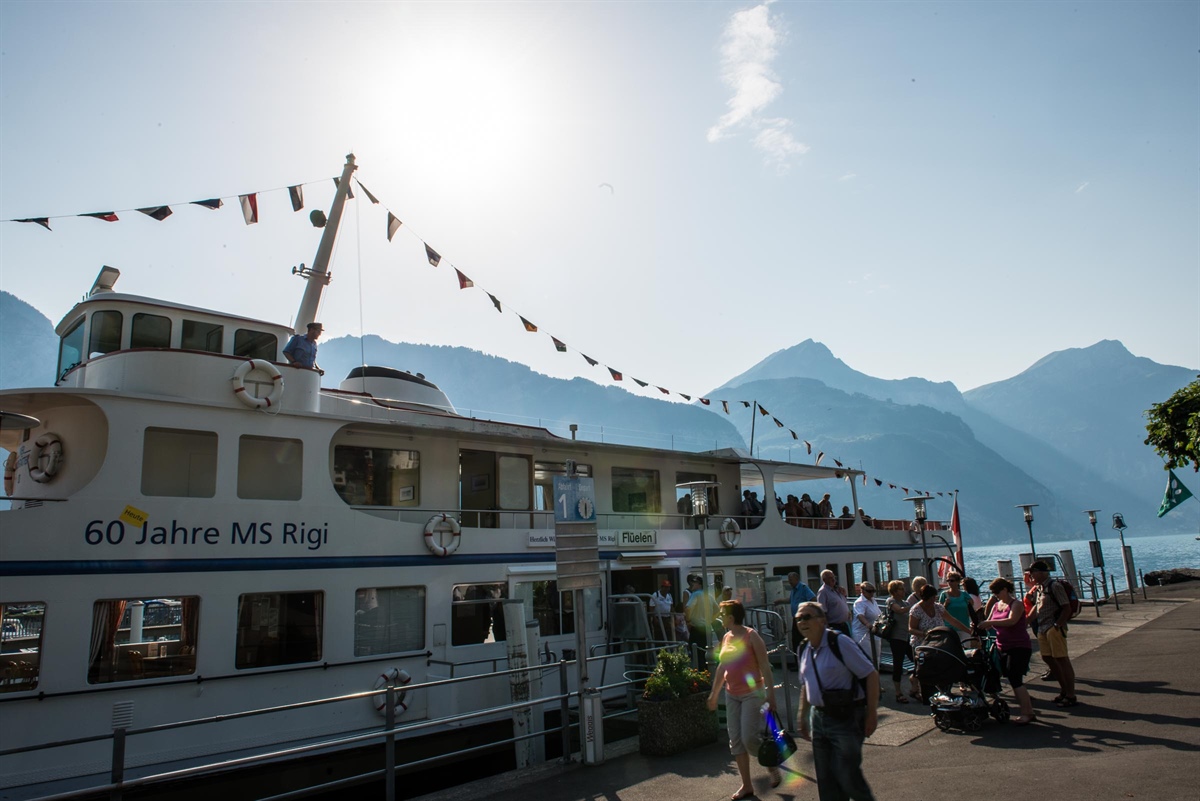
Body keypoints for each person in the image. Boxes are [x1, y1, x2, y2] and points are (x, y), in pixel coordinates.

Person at [795, 601, 878, 801]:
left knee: (848, 776)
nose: (802, 622)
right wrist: (802, 715)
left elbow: (871, 674)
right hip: (819, 718)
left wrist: (872, 713)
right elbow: (806, 684)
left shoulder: (839, 642)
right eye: (798, 618)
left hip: (846, 717)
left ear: (822, 620)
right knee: (826, 780)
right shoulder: (803, 648)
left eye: (807, 617)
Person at [707, 600, 780, 799]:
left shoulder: (751, 636)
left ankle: (771, 763)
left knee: (749, 738)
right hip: (732, 694)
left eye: (722, 614)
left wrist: (770, 695)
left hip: (751, 694)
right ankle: (746, 785)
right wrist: (714, 694)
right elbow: (722, 668)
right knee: (736, 741)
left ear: (731, 617)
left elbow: (765, 667)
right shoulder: (726, 637)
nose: (720, 617)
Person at [976, 577, 1036, 724]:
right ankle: (1027, 711)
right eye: (993, 592)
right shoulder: (997, 605)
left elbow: (1011, 621)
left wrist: (989, 622)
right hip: (1002, 646)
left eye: (997, 591)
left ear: (1005, 589)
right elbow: (989, 623)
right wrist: (979, 624)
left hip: (1019, 646)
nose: (995, 594)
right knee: (1008, 677)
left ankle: (1027, 712)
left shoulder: (1016, 604)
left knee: (1015, 679)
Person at [908, 584, 973, 701]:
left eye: (935, 597)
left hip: (938, 643)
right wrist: (925, 633)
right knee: (923, 669)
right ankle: (919, 687)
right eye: (932, 598)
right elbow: (911, 629)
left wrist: (968, 631)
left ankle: (942, 690)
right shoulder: (916, 610)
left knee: (939, 667)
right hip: (921, 643)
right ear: (926, 598)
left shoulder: (938, 607)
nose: (934, 600)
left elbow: (952, 620)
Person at [1030, 560, 1077, 707]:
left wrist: (1057, 625)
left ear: (1042, 572)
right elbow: (1036, 609)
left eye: (1033, 572)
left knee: (1062, 659)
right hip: (1042, 627)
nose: (1031, 575)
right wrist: (1024, 621)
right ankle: (1063, 690)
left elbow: (1066, 607)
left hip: (1053, 627)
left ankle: (1070, 694)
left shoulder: (1054, 586)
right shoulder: (1038, 588)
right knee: (1048, 658)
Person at [884, 580, 918, 703]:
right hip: (896, 638)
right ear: (894, 591)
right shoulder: (891, 601)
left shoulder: (906, 602)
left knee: (917, 661)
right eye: (901, 589)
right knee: (898, 664)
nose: (903, 591)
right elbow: (899, 610)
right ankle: (898, 692)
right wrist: (914, 606)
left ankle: (915, 686)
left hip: (907, 637)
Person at [937, 573, 976, 644]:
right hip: (949, 628)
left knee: (966, 648)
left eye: (952, 580)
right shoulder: (944, 594)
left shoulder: (964, 594)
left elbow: (971, 606)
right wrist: (945, 604)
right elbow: (940, 610)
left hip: (964, 626)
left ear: (958, 582)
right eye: (948, 580)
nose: (949, 583)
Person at [851, 583, 882, 669]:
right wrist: (867, 624)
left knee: (877, 656)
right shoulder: (859, 602)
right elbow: (860, 615)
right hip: (862, 633)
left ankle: (876, 675)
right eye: (869, 591)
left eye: (873, 591)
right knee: (868, 656)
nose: (872, 593)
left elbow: (878, 614)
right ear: (863, 591)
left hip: (874, 632)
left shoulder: (873, 600)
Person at [685, 575, 714, 662]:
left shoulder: (695, 594)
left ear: (700, 585)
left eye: (695, 582)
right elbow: (717, 610)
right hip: (707, 629)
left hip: (697, 629)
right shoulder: (709, 595)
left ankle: (699, 673)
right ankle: (707, 673)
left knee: (696, 654)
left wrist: (688, 621)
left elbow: (688, 608)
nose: (692, 584)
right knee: (705, 655)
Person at [787, 571, 817, 654]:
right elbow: (791, 600)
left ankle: (804, 659)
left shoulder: (803, 588)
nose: (789, 582)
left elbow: (813, 599)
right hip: (795, 619)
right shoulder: (793, 590)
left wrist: (807, 612)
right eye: (789, 580)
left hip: (803, 618)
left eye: (791, 580)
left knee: (802, 640)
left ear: (796, 579)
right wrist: (779, 601)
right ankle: (798, 661)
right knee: (795, 641)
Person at [817, 570, 851, 635]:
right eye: (830, 578)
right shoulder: (823, 592)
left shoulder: (837, 589)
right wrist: (828, 629)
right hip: (834, 626)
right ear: (824, 580)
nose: (833, 579)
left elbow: (842, 602)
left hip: (844, 624)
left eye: (833, 577)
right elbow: (822, 612)